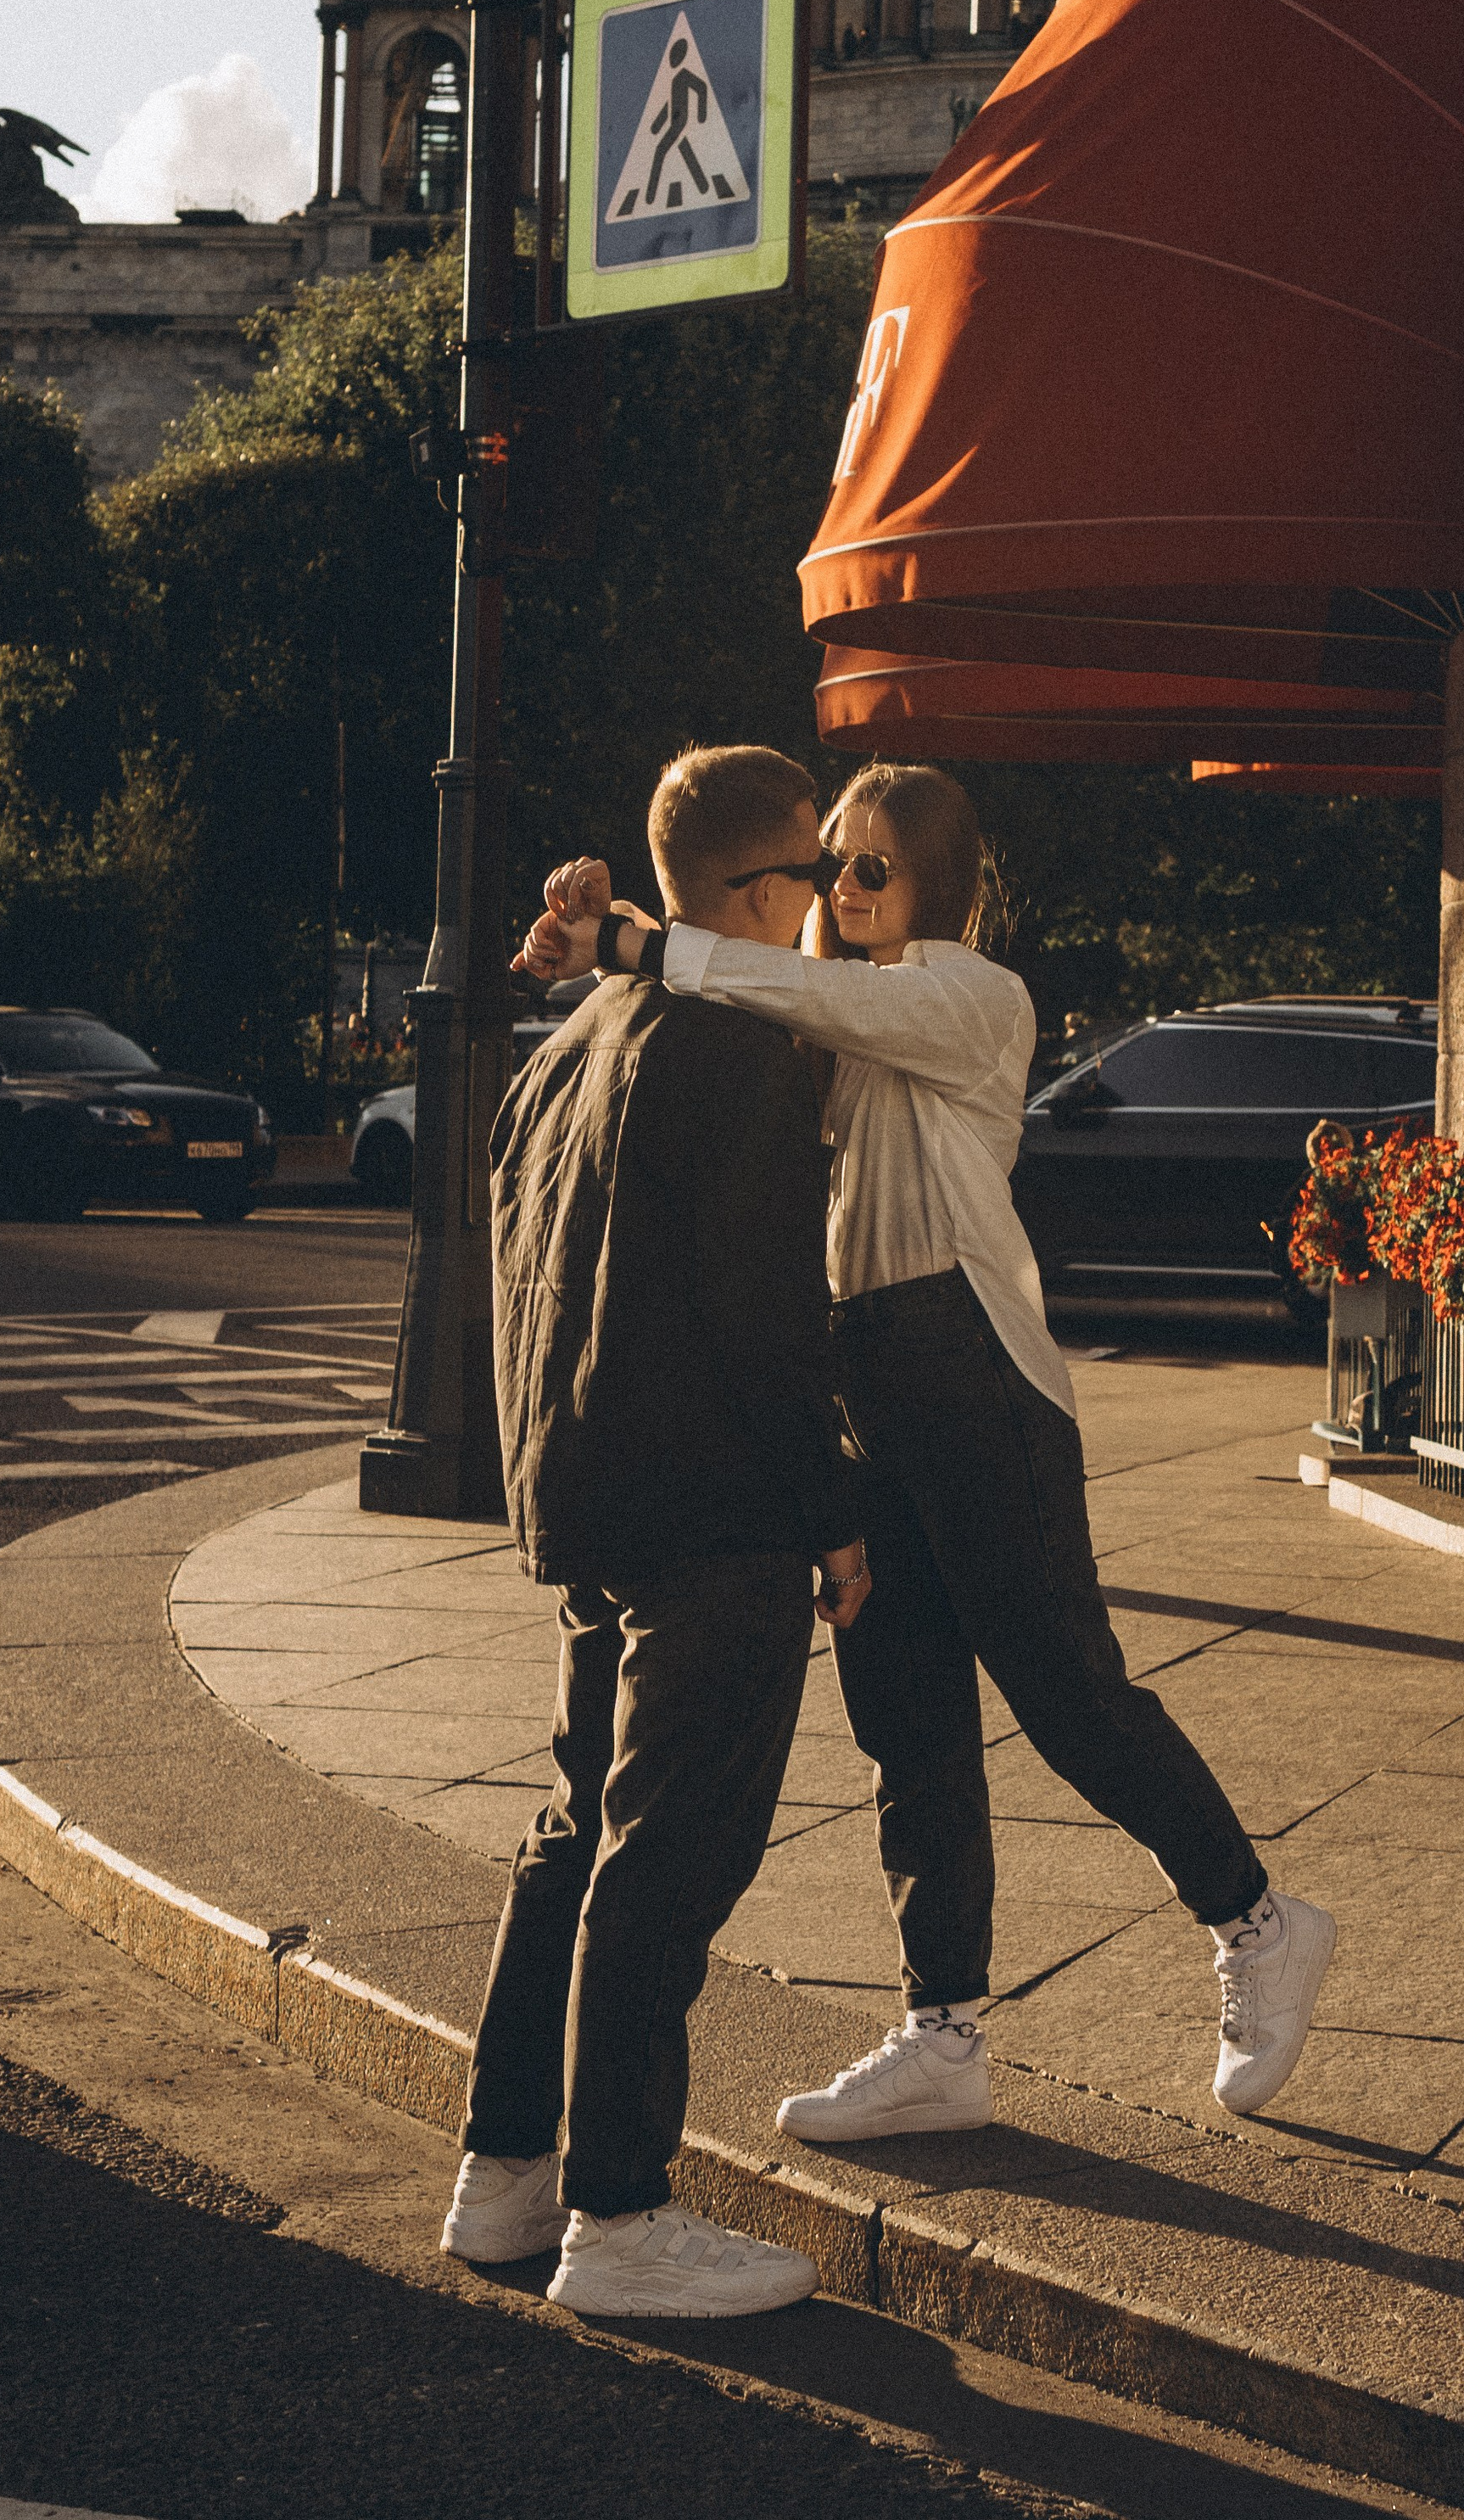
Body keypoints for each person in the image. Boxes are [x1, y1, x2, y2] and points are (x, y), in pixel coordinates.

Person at [516, 760, 1335, 2144]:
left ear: (936, 888)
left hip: (978, 1387)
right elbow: (712, 1041)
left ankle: (1257, 1919)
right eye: (828, 859)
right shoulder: (821, 1023)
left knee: (1069, 1696)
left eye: (870, 867)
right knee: (908, 1727)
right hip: (867, 1391)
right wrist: (576, 956)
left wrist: (650, 938)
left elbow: (810, 989)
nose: (839, 886)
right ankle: (941, 2034)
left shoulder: (965, 995)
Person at [442, 744, 871, 2317]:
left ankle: (506, 2174)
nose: (829, 904)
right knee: (668, 1860)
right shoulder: (745, 1048)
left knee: (574, 1830)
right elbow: (768, 1318)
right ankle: (619, 2215)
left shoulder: (578, 1040)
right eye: (818, 877)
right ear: (761, 893)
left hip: (593, 1499)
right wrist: (832, 1511)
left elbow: (512, 1261)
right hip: (715, 1514)